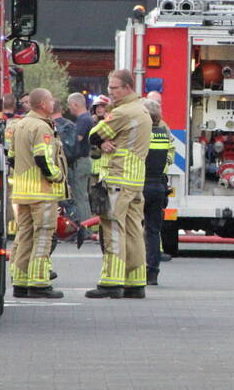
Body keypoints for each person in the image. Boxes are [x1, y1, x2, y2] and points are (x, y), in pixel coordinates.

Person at [85, 70, 152, 299]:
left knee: (112, 228)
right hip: (135, 179)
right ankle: (136, 282)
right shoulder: (142, 109)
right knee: (134, 231)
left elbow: (93, 134)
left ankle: (110, 282)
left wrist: (102, 141)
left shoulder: (123, 112)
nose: (110, 92)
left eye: (114, 88)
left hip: (118, 177)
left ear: (127, 87)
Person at [9, 88, 68, 299]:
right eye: (51, 100)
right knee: (43, 236)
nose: (53, 103)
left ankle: (21, 282)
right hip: (41, 193)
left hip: (22, 192)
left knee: (24, 236)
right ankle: (39, 283)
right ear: (43, 104)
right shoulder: (42, 127)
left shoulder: (19, 125)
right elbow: (43, 159)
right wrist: (57, 177)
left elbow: (12, 158)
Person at [142, 98, 173, 285]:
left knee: (135, 230)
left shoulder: (141, 134)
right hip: (159, 186)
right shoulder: (163, 133)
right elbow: (169, 156)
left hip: (140, 185)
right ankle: (153, 272)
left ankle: (137, 271)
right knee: (153, 231)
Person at [67, 92, 94, 228]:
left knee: (80, 196)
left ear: (75, 104)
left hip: (81, 162)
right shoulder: (87, 118)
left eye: (70, 105)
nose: (69, 108)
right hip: (85, 161)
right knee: (82, 195)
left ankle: (84, 228)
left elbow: (76, 140)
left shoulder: (83, 120)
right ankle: (86, 226)